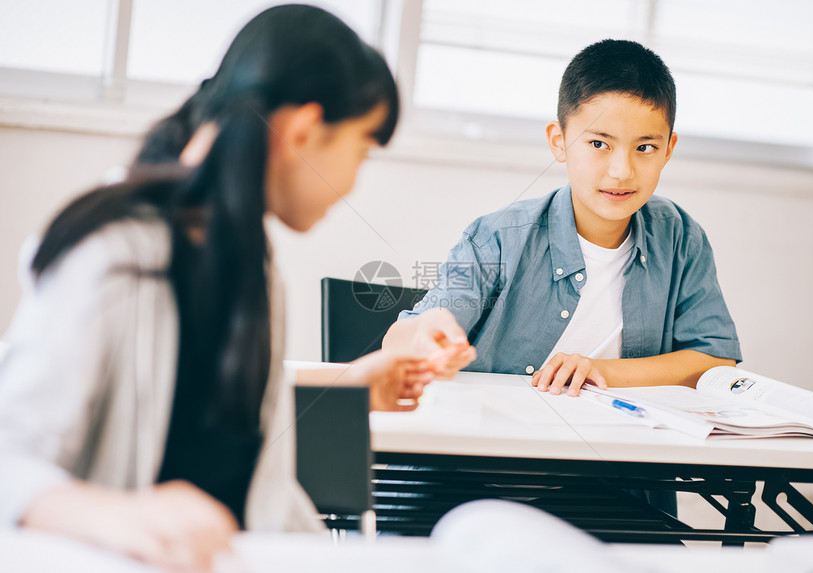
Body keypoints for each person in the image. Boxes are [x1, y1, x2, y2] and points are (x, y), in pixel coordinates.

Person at [0, 5, 454, 571]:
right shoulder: (113, 252)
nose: (354, 181)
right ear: (303, 132)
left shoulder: (248, 258)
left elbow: (233, 444)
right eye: (361, 149)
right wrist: (109, 514)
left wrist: (350, 381)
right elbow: (11, 458)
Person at [383, 39, 742, 395]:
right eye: (599, 144)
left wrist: (599, 370)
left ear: (668, 150)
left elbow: (716, 360)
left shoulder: (680, 237)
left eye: (645, 148)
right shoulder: (497, 238)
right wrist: (430, 330)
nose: (621, 171)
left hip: (610, 446)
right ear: (559, 141)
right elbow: (403, 338)